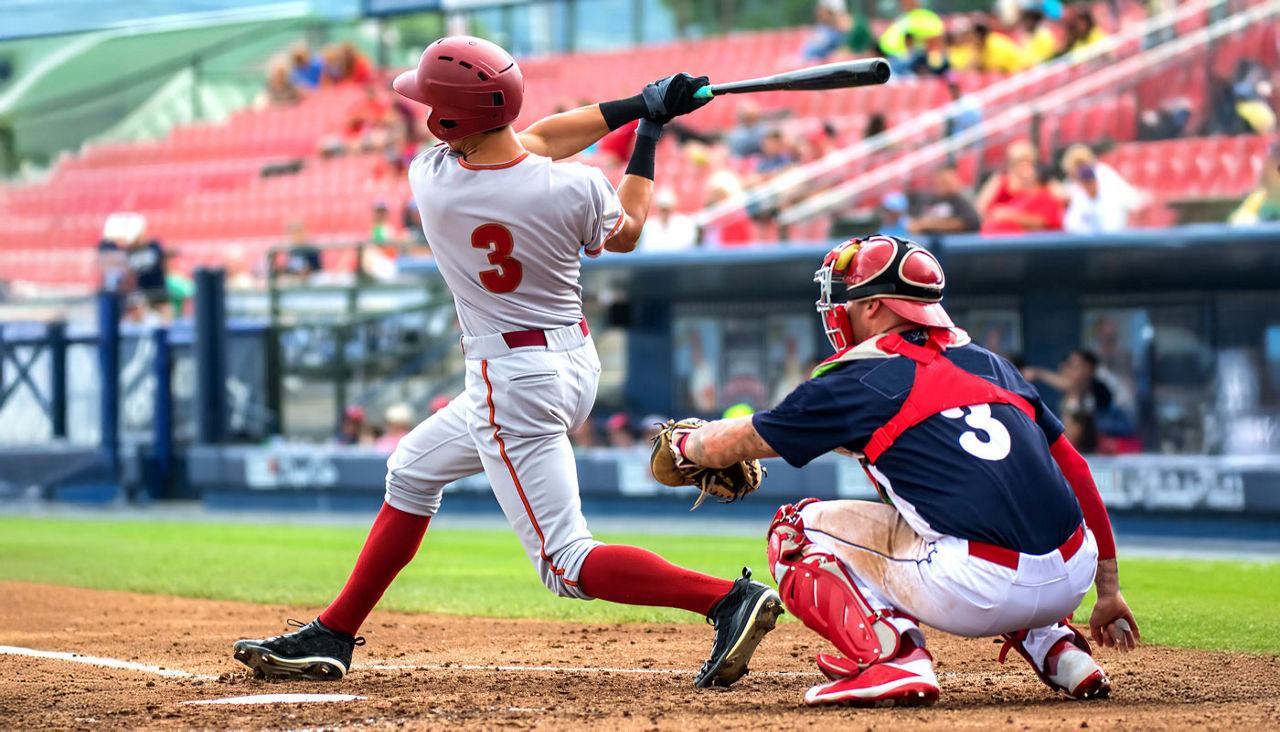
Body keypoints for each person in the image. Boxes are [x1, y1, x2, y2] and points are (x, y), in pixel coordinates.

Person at [233, 36, 782, 689]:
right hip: (571, 364)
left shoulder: (431, 179)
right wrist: (648, 129)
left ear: (447, 122)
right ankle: (335, 633)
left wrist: (641, 107)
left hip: (511, 380)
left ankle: (725, 599)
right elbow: (621, 221)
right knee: (410, 472)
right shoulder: (574, 186)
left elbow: (534, 141)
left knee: (566, 563)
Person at [658, 235, 1137, 707]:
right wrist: (1108, 592)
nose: (840, 307)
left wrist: (685, 443)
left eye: (848, 296)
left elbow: (742, 441)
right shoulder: (993, 365)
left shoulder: (859, 378)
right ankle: (1059, 649)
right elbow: (1074, 469)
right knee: (972, 509)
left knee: (794, 531)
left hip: (976, 585)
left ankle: (894, 656)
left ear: (872, 308)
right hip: (1072, 574)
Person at [1060, 144, 1140, 234]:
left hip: (1111, 238)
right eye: (1076, 165)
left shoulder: (1104, 174)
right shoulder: (1070, 186)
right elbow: (1071, 224)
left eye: (1082, 163)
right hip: (1083, 241)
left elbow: (1132, 202)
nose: (1081, 169)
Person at [910, 165, 982, 234]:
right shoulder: (927, 200)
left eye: (947, 182)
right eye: (941, 181)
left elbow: (970, 222)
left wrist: (930, 224)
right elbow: (914, 224)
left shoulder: (961, 201)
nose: (943, 185)